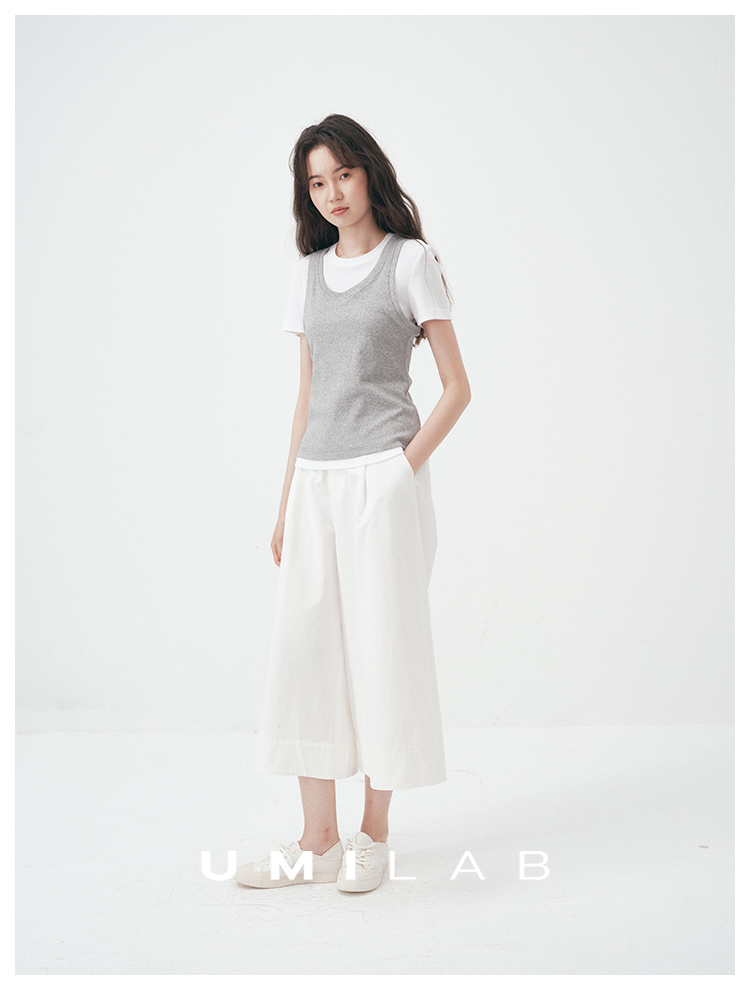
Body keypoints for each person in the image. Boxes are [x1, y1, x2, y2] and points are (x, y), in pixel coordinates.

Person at [235, 114, 471, 893]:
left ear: (369, 172)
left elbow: (457, 387)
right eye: (317, 181)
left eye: (343, 173)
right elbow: (306, 398)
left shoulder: (410, 262)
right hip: (315, 481)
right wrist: (285, 503)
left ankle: (373, 834)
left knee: (382, 646)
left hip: (382, 480)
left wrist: (400, 471)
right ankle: (316, 842)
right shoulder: (306, 274)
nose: (332, 192)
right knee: (306, 653)